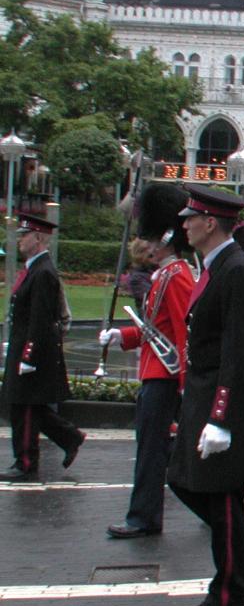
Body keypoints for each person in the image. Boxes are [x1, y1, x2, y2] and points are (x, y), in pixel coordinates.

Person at [167, 184, 244, 606]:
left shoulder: (234, 270)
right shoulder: (217, 266)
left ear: (209, 223)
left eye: (190, 218)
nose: (184, 224)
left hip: (223, 402)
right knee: (185, 481)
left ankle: (229, 594)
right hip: (205, 395)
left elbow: (240, 352)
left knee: (221, 498)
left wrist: (221, 417)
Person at [98, 183, 194, 537]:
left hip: (165, 378)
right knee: (154, 450)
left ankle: (142, 517)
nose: (147, 245)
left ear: (166, 234)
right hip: (156, 373)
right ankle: (146, 515)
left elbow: (184, 334)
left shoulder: (177, 276)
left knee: (152, 452)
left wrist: (185, 383)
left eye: (153, 238)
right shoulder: (165, 275)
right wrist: (122, 336)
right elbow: (155, 329)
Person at [0, 212, 85, 482]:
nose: (20, 240)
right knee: (28, 406)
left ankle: (25, 461)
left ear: (38, 238)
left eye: (24, 235)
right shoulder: (36, 269)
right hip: (24, 346)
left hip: (32, 352)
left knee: (23, 407)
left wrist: (28, 355)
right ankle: (69, 436)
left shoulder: (43, 272)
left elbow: (40, 317)